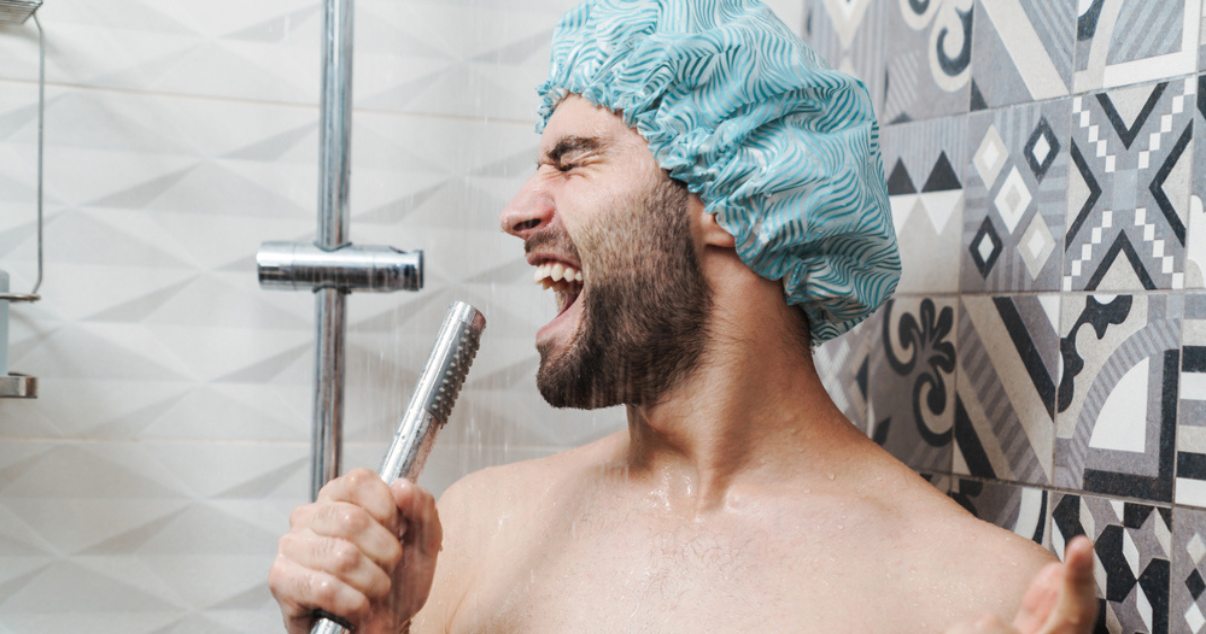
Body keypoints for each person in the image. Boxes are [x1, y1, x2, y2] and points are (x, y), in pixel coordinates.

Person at [269, 1, 1099, 632]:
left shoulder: (970, 596)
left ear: (737, 201)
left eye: (573, 159)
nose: (518, 211)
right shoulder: (475, 536)